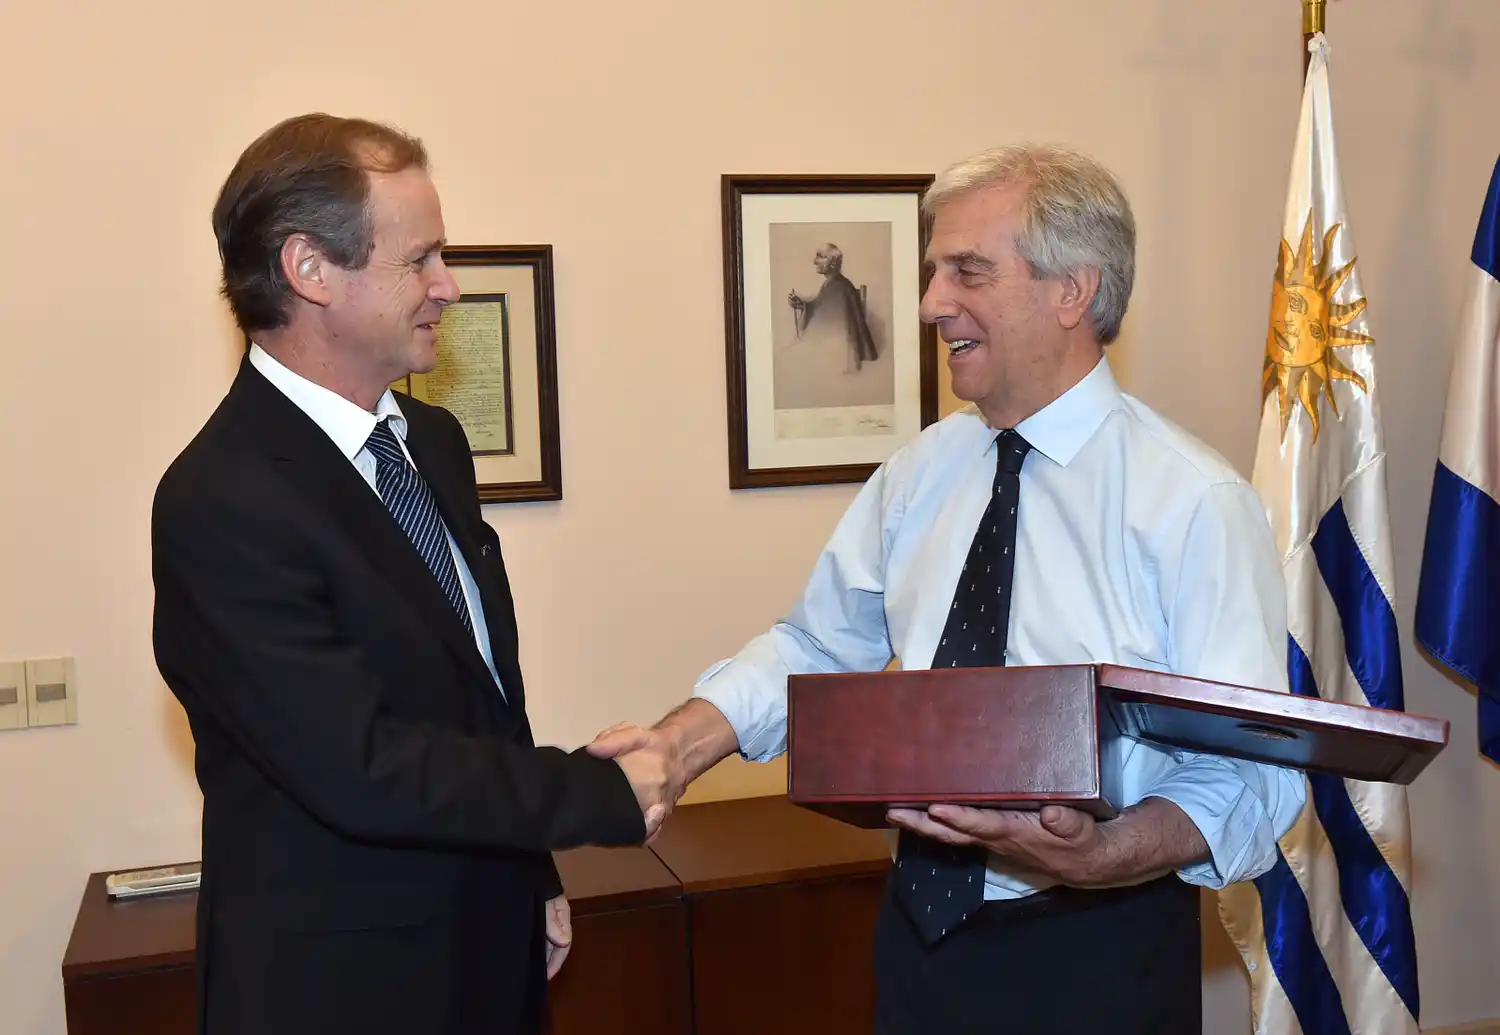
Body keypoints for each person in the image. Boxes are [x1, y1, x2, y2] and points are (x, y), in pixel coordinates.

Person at [589, 144, 1306, 1034]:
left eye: (967, 271)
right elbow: (816, 646)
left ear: (1072, 290)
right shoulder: (920, 472)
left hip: (1097, 953)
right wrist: (678, 744)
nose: (931, 303)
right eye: (933, 273)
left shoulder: (1193, 502)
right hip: (918, 932)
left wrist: (1101, 853)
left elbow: (1251, 770)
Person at [151, 113, 669, 1035]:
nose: (448, 285)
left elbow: (478, 695)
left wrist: (534, 870)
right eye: (421, 259)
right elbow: (361, 763)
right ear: (310, 270)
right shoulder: (220, 500)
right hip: (343, 987)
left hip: (487, 949)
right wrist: (595, 795)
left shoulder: (431, 441)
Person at [788, 243, 880, 372]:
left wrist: (806, 309)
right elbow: (821, 308)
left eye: (821, 257)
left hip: (838, 355)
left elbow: (829, 323)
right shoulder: (831, 284)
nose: (815, 261)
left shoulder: (840, 287)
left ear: (833, 262)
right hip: (828, 348)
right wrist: (803, 305)